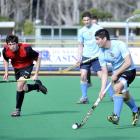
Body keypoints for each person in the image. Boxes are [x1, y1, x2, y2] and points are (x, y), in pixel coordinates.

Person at [95, 28, 140, 125]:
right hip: (117, 73)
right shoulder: (101, 53)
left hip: (129, 70)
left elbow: (128, 62)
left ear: (104, 38)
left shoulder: (119, 45)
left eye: (98, 39)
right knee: (123, 94)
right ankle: (136, 110)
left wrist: (116, 73)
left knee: (117, 88)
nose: (96, 42)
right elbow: (104, 72)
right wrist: (102, 90)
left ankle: (116, 116)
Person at [2, 35, 48, 117]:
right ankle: (37, 86)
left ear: (17, 43)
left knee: (19, 86)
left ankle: (17, 110)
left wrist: (36, 74)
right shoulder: (5, 50)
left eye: (13, 44)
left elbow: (38, 58)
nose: (11, 46)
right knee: (24, 89)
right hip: (16, 69)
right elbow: (6, 59)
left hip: (27, 67)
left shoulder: (26, 49)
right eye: (9, 44)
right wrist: (6, 72)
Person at [77, 11, 114, 104]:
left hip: (97, 57)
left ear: (91, 20)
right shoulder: (81, 31)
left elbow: (105, 41)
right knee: (83, 76)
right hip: (86, 57)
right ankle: (84, 97)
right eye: (84, 20)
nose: (86, 22)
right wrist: (79, 58)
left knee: (102, 76)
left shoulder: (98, 28)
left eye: (88, 20)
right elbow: (80, 45)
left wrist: (104, 53)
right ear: (82, 21)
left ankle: (112, 95)